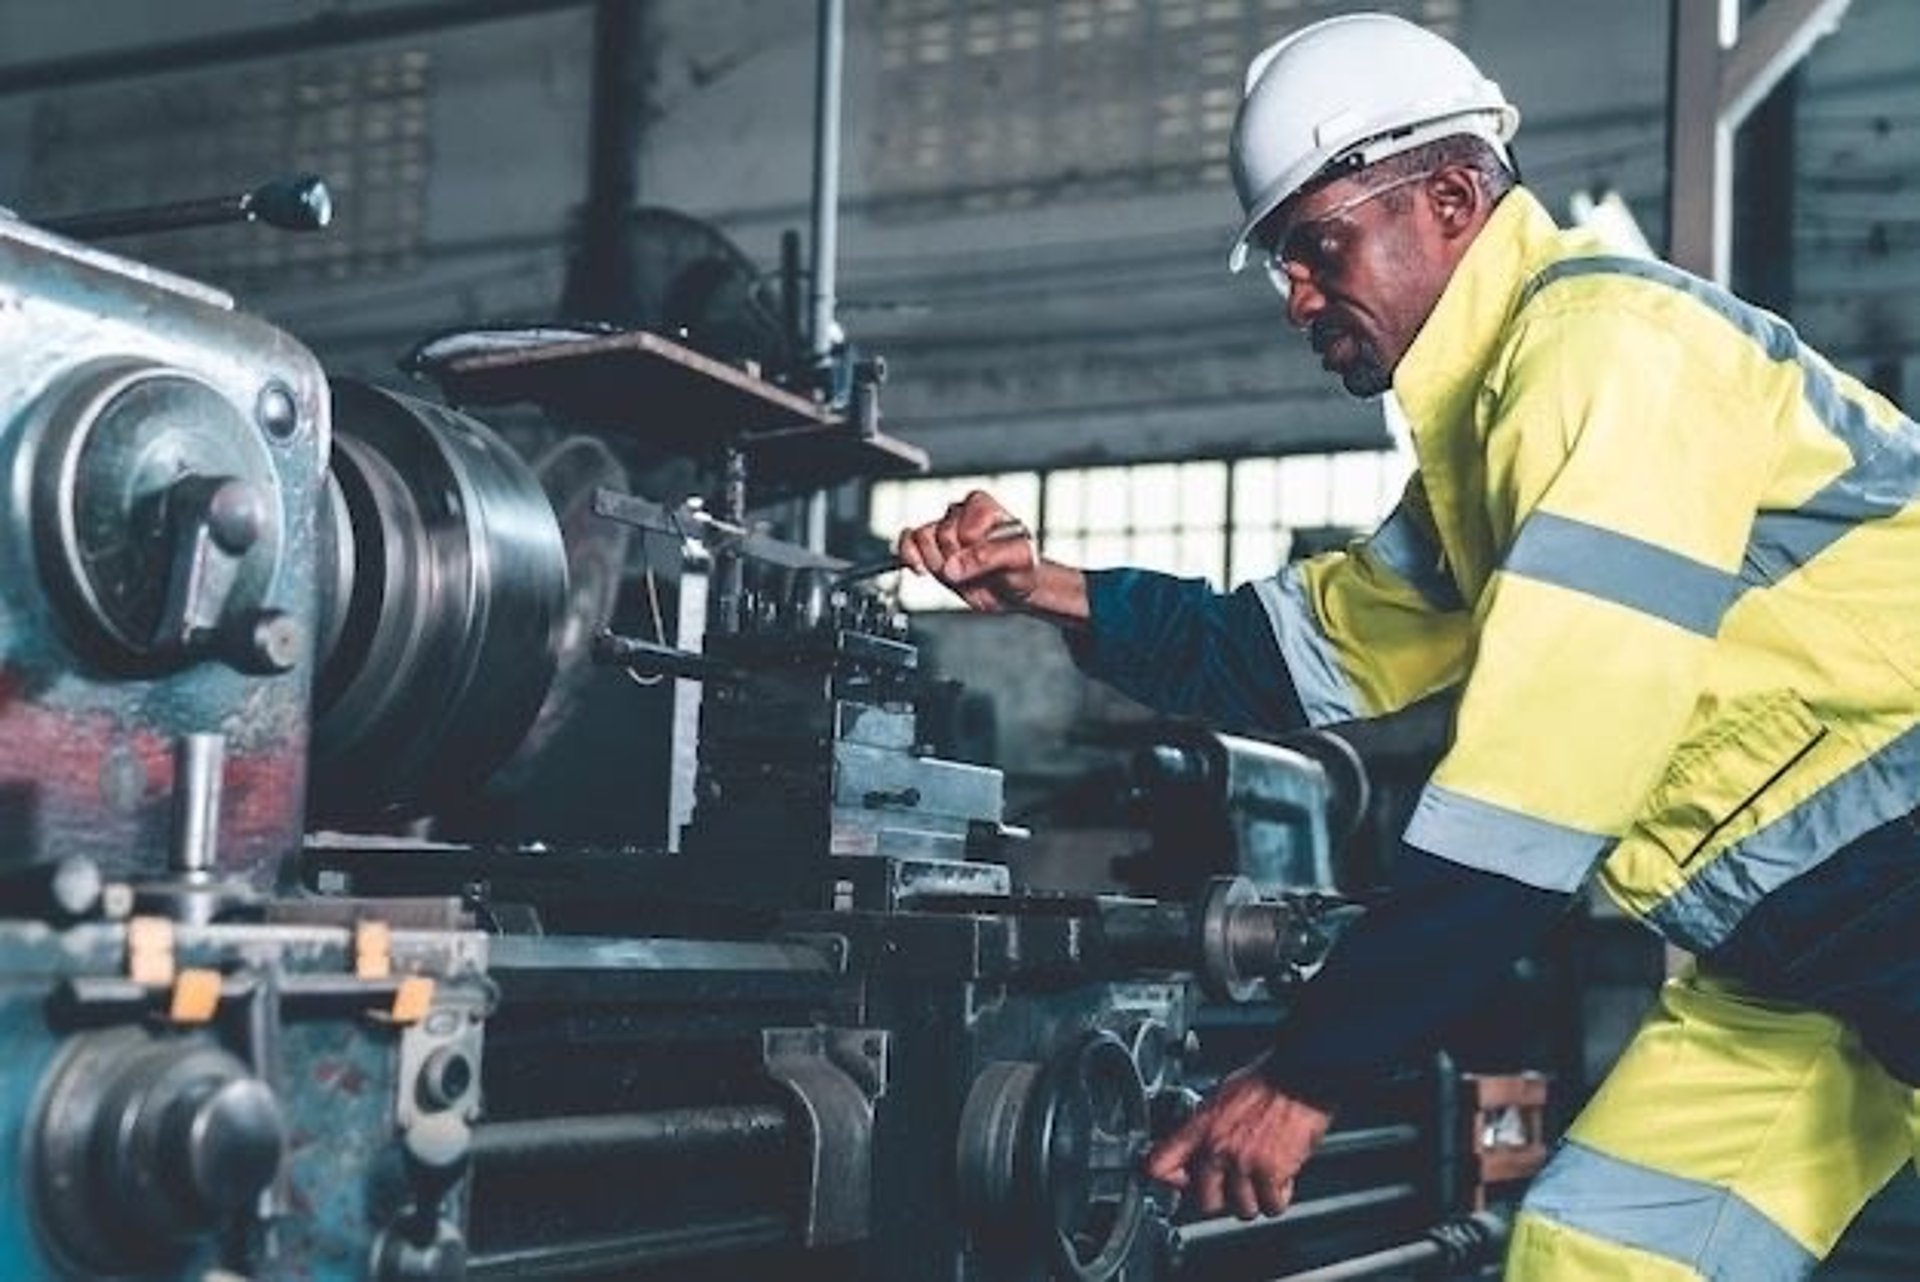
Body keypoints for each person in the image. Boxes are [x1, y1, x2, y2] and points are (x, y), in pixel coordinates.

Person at [894, 11, 1920, 1280]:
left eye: (1318, 247)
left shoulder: (1609, 360)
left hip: (1893, 870)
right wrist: (1038, 582)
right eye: (1281, 262)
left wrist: (1313, 1069)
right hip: (1793, 945)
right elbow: (1284, 654)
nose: (1297, 297)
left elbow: (1540, 781)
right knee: (1601, 1254)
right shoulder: (1490, 444)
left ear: (1447, 197)